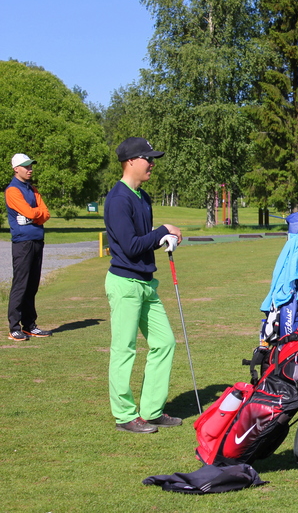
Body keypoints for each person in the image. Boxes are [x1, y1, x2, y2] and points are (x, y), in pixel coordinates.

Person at [104, 137, 183, 434]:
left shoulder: (142, 197)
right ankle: (125, 415)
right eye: (147, 158)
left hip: (147, 283)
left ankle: (151, 410)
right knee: (124, 349)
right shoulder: (118, 199)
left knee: (165, 342)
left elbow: (143, 237)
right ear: (130, 162)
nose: (152, 163)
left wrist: (166, 237)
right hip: (125, 284)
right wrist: (164, 230)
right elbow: (130, 245)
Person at [5, 153, 52, 341]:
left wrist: (35, 215)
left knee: (32, 285)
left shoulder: (33, 189)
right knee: (21, 285)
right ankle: (14, 327)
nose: (30, 169)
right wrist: (35, 214)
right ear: (16, 169)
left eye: (31, 166)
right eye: (26, 166)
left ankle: (29, 325)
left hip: (37, 241)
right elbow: (28, 211)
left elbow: (45, 213)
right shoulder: (12, 190)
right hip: (22, 243)